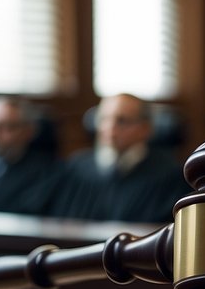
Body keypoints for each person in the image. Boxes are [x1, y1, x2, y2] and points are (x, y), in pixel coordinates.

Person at [50, 92, 188, 223]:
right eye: (103, 119)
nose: (110, 128)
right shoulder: (77, 168)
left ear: (145, 128)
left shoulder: (169, 174)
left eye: (121, 121)